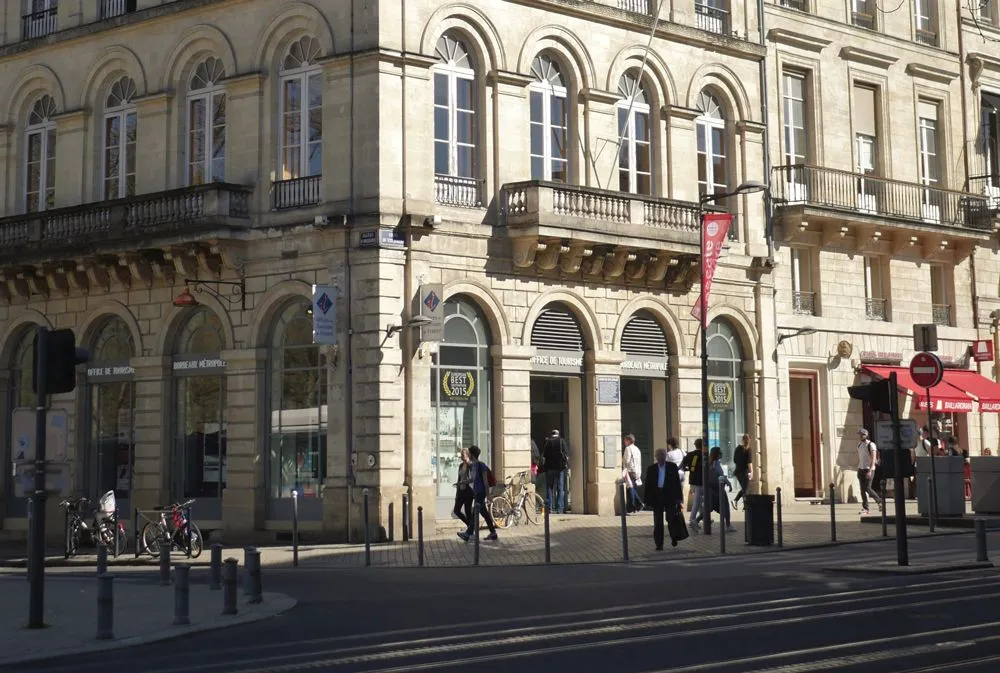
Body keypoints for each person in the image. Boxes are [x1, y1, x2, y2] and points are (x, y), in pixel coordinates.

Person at [643, 448, 684, 550]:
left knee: (671, 519)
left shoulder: (672, 467)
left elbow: (677, 484)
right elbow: (648, 485)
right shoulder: (651, 469)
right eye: (659, 455)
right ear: (656, 457)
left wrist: (679, 498)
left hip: (669, 496)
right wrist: (647, 500)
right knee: (658, 523)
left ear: (665, 456)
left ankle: (674, 537)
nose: (661, 457)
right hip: (657, 496)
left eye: (663, 455)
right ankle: (659, 544)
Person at [458, 445, 498, 542]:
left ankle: (468, 534)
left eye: (469, 453)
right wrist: (462, 482)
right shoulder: (474, 466)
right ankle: (493, 533)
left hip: (481, 492)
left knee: (474, 514)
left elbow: (485, 481)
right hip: (476, 492)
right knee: (484, 513)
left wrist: (488, 495)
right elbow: (472, 479)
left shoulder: (481, 465)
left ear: (472, 454)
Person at [706, 446, 736, 532]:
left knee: (711, 506)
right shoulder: (716, 463)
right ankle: (728, 525)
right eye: (720, 452)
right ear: (717, 454)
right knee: (725, 506)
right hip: (718, 488)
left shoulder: (710, 462)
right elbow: (721, 475)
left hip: (712, 488)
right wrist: (729, 483)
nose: (722, 453)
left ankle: (697, 520)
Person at [542, 429, 569, 514]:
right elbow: (566, 454)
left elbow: (544, 455)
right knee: (560, 488)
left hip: (549, 468)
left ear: (551, 434)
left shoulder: (548, 442)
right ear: (558, 434)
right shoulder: (561, 441)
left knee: (549, 488)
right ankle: (559, 508)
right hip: (559, 468)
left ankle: (549, 508)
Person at [857, 428, 881, 515]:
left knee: (868, 488)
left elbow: (874, 458)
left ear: (866, 435)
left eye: (862, 434)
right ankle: (865, 508)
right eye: (859, 434)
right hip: (861, 468)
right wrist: (859, 467)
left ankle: (880, 502)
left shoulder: (871, 445)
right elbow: (860, 457)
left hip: (868, 469)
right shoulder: (859, 444)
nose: (860, 436)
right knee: (862, 490)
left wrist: (870, 470)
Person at [682, 439, 705, 533]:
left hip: (692, 481)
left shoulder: (690, 454)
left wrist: (690, 470)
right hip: (700, 481)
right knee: (697, 501)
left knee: (699, 501)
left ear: (695, 445)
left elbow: (683, 466)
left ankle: (704, 518)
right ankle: (692, 520)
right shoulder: (703, 455)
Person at [452, 447, 473, 528]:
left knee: (468, 511)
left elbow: (472, 479)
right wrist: (457, 490)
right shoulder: (461, 465)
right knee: (456, 510)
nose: (461, 456)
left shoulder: (470, 465)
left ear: (467, 455)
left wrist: (462, 483)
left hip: (468, 492)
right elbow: (459, 478)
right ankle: (470, 526)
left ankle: (471, 530)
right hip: (461, 491)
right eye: (461, 454)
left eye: (462, 454)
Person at [622, 433, 644, 513]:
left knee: (630, 488)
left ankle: (637, 504)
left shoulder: (628, 448)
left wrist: (622, 460)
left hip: (630, 471)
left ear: (629, 440)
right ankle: (634, 507)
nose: (624, 442)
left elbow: (627, 460)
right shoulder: (637, 449)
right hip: (637, 471)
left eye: (625, 440)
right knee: (632, 488)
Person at [732, 433, 753, 510]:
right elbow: (749, 462)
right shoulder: (748, 449)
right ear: (749, 440)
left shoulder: (737, 448)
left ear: (742, 440)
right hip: (744, 472)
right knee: (746, 489)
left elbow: (734, 460)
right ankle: (738, 501)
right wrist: (751, 472)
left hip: (737, 472)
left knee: (745, 488)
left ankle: (743, 505)